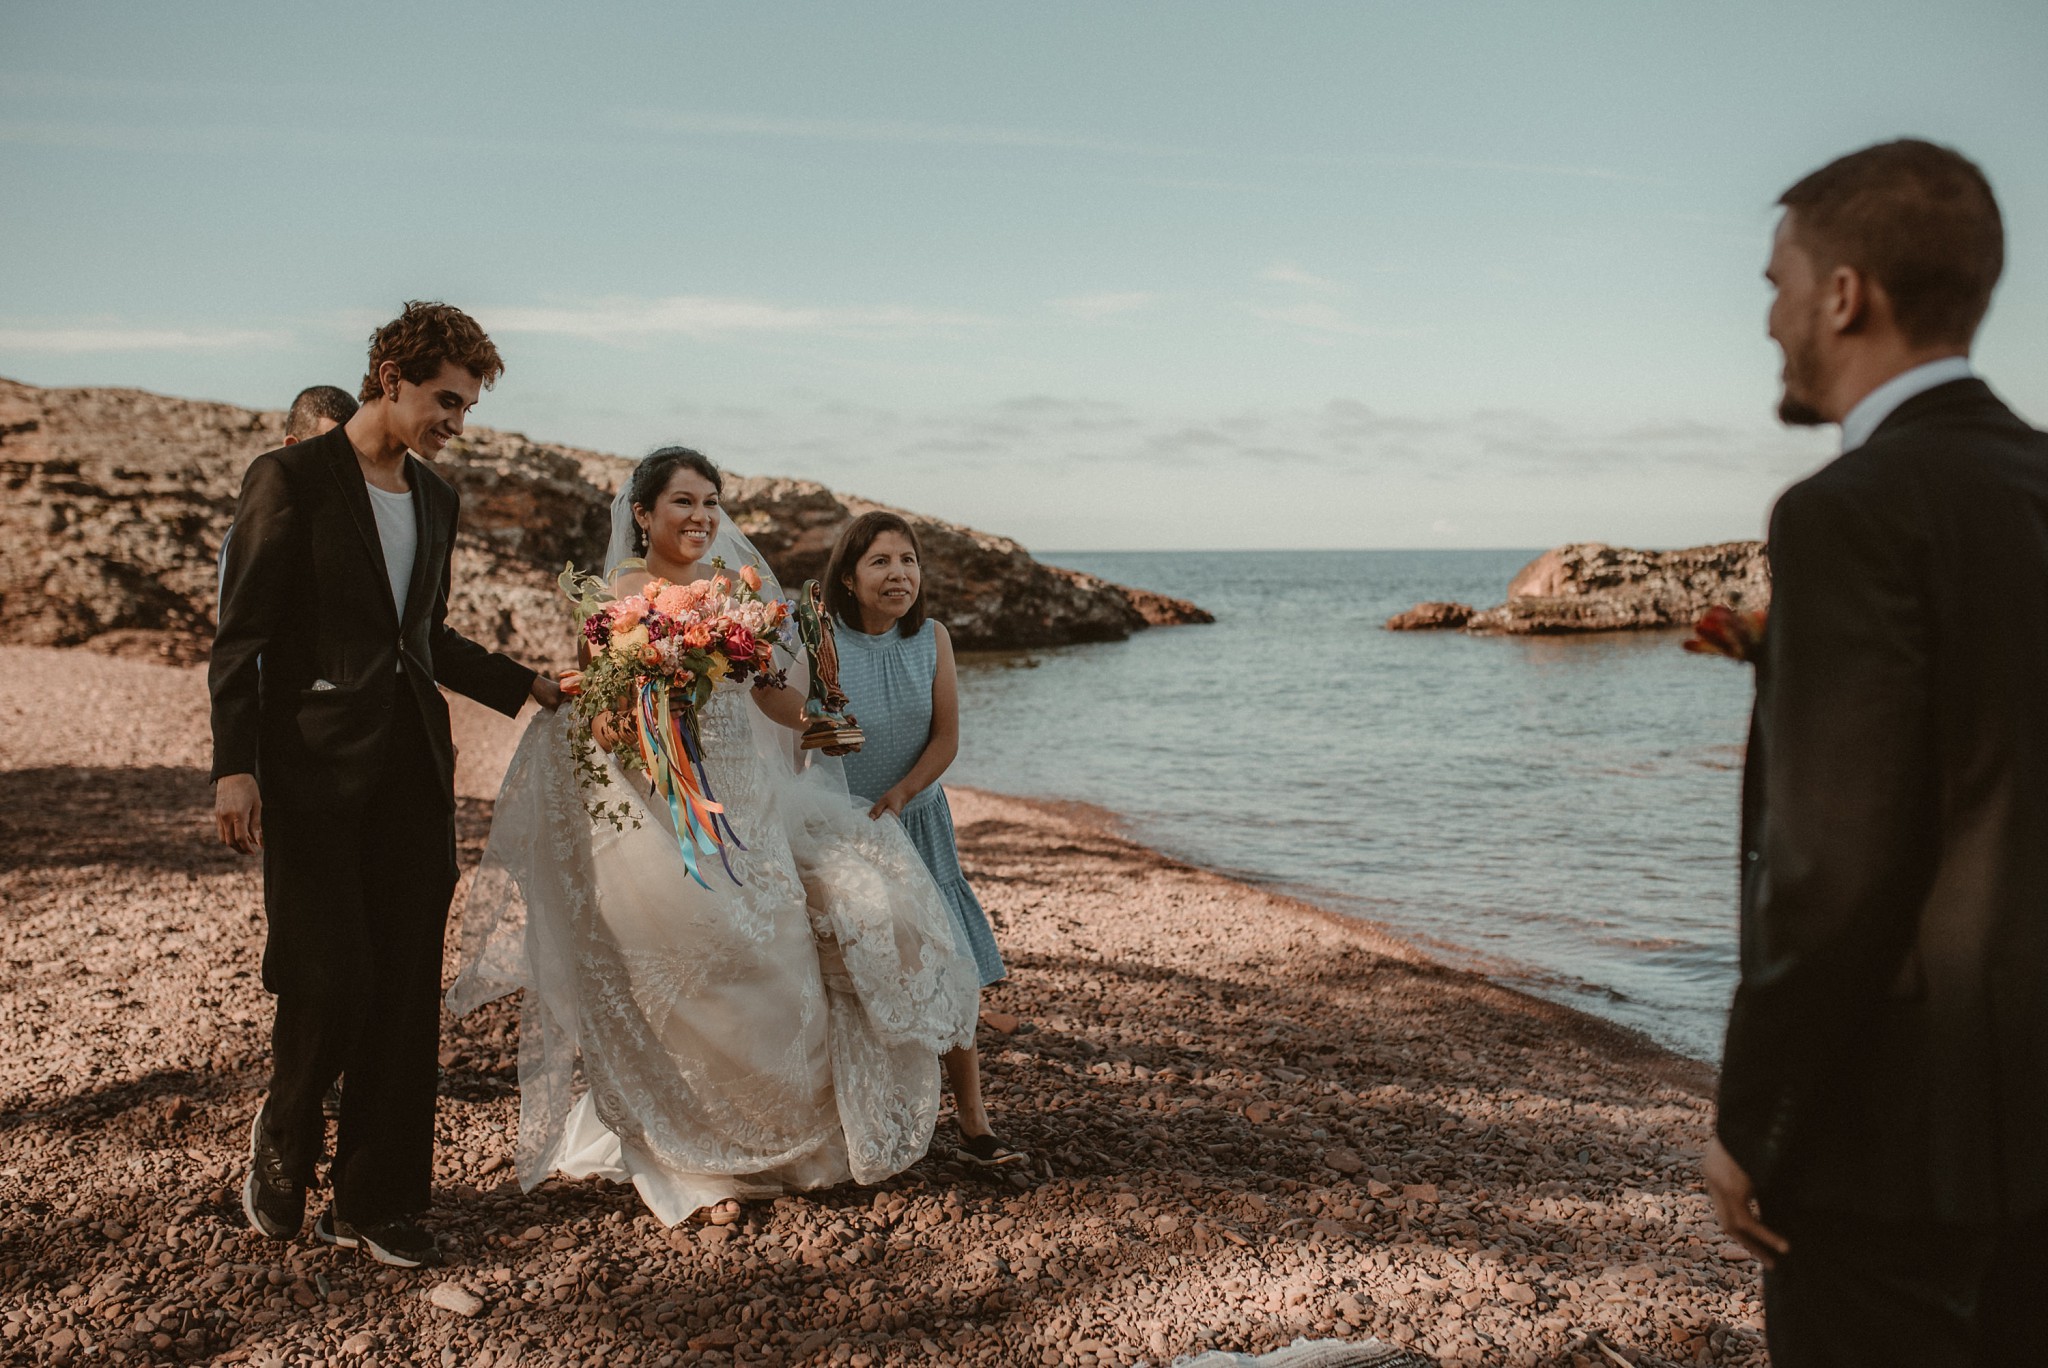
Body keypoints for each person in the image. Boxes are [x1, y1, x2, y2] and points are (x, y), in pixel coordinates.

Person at [1707, 139, 2048, 1365]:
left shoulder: (1845, 515)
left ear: (1843, 294)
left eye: (1774, 285)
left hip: (1896, 1141)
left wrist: (1755, 1123)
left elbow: (1828, 869)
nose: (1769, 322)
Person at [449, 448, 979, 1226]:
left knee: (785, 953)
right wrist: (651, 728)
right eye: (683, 503)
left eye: (711, 502)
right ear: (643, 512)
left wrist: (818, 722)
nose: (700, 518)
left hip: (749, 800)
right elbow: (602, 712)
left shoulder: (735, 590)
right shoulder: (620, 601)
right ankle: (700, 1142)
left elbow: (767, 692)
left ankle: (797, 1143)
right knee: (708, 968)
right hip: (670, 808)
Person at [211, 301, 563, 1268]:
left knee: (406, 987)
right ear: (392, 376)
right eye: (448, 400)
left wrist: (528, 687)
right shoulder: (287, 477)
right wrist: (234, 765)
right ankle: (285, 1131)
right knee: (329, 974)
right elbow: (241, 636)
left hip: (415, 767)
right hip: (309, 768)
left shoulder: (438, 500)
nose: (459, 420)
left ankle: (375, 1201)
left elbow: (427, 638)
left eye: (470, 405)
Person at [823, 511, 1023, 1168]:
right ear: (849, 577)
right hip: (847, 827)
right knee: (856, 968)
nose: (898, 574)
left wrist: (905, 793)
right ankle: (858, 1115)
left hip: (916, 820)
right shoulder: (821, 636)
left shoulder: (932, 638)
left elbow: (947, 738)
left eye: (907, 560)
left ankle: (972, 1120)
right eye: (880, 562)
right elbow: (799, 730)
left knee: (951, 964)